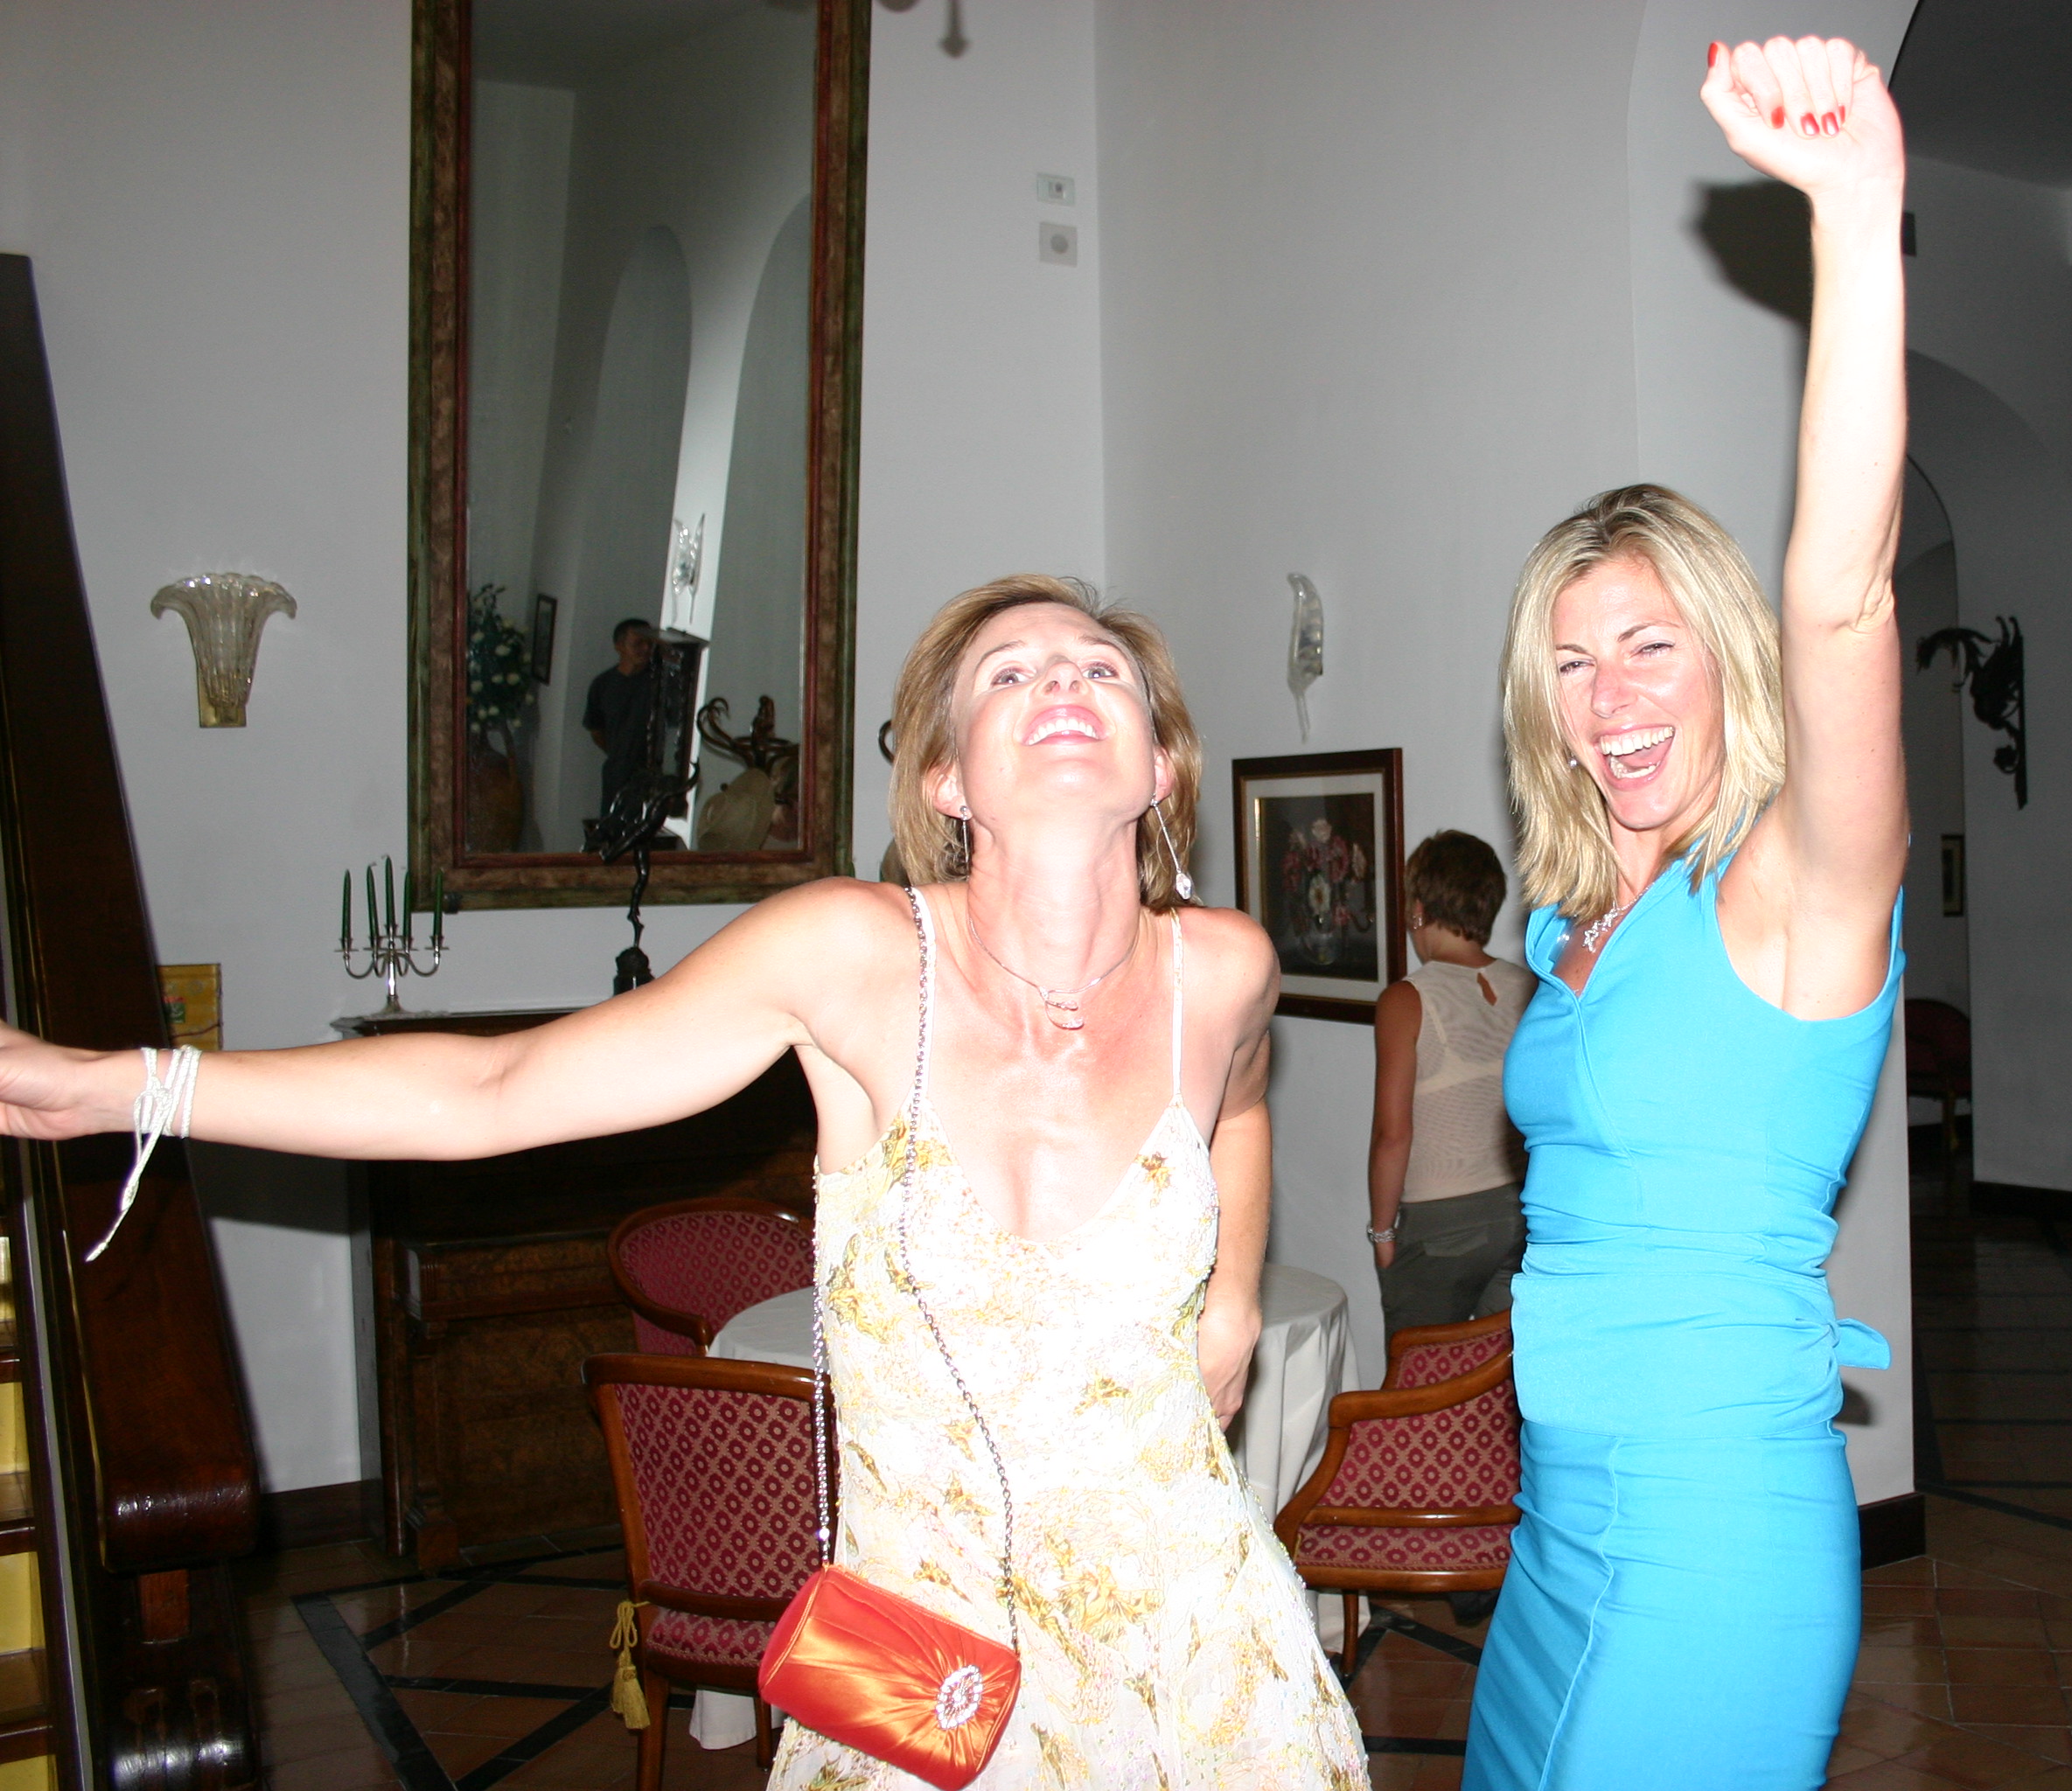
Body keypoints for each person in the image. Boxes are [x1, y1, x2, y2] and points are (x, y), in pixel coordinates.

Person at [0, 575, 1368, 1790]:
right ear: (948, 779)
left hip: (1204, 1644)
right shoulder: (852, 956)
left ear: (1158, 765)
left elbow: (1241, 1106)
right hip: (934, 1679)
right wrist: (121, 1087)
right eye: (1009, 671)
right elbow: (495, 1088)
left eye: (1099, 666)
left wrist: (1232, 1298)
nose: (1063, 678)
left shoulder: (1223, 968)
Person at [1462, 36, 1910, 1791]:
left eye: (1650, 644)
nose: (1610, 697)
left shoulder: (1794, 889)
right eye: (1572, 662)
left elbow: (1845, 591)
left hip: (1715, 1538)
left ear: (1729, 658)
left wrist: (1855, 211)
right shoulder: (1570, 928)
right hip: (1558, 1522)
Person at [1365, 830, 1533, 1344]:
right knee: (1493, 1372)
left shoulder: (1406, 999)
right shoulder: (1527, 986)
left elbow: (1393, 1134)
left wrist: (1382, 1231)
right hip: (1516, 1212)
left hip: (1441, 1223)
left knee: (1419, 1372)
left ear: (1417, 910)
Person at [583, 616, 658, 811]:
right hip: (617, 772)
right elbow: (596, 730)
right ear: (620, 646)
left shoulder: (659, 683)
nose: (646, 649)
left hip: (652, 774)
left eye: (649, 643)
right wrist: (620, 754)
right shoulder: (603, 684)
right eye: (638, 643)